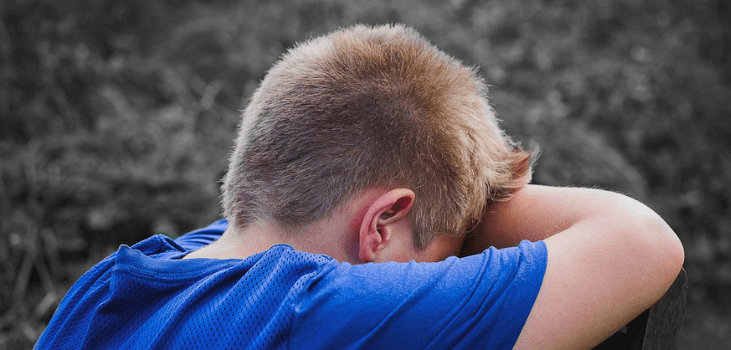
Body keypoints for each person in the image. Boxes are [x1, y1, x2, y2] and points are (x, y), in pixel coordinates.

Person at [35, 24, 684, 350]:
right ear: (381, 226)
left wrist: (450, 203)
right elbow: (642, 242)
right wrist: (474, 204)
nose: (440, 274)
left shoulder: (112, 287)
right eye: (444, 259)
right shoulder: (317, 312)